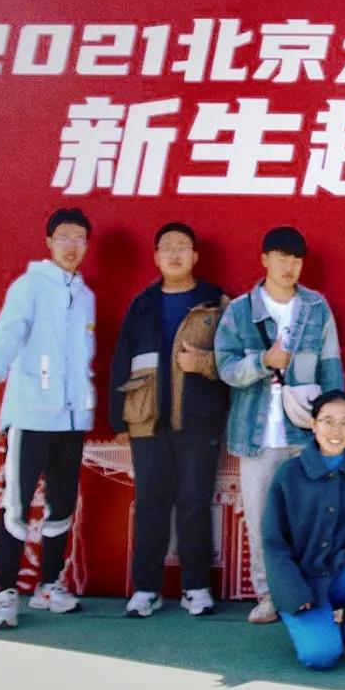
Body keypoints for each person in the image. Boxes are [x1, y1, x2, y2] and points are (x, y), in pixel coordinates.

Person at [0, 207, 96, 629]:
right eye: (64, 237)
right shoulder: (29, 286)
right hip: (30, 414)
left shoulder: (85, 295)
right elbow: (9, 332)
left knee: (62, 504)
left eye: (79, 239)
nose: (71, 246)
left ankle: (49, 586)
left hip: (71, 419)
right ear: (49, 242)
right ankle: (5, 594)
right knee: (17, 504)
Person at [215, 227, 345, 624]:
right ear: (264, 259)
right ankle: (269, 596)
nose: (289, 266)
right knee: (261, 520)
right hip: (256, 436)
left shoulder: (316, 307)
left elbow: (331, 368)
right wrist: (262, 362)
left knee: (311, 519)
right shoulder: (240, 311)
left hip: (305, 432)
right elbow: (225, 368)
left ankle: (307, 595)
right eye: (281, 257)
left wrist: (334, 426)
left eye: (295, 259)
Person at [109, 222, 228, 618]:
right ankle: (146, 589)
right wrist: (118, 419)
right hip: (146, 419)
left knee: (195, 502)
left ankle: (196, 587)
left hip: (199, 420)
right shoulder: (142, 305)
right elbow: (122, 360)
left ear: (195, 256)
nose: (175, 253)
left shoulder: (216, 303)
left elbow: (234, 360)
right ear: (156, 256)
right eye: (167, 247)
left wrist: (203, 363)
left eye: (183, 246)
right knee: (150, 504)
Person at [261, 391, 345, 670]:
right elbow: (273, 544)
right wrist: (293, 593)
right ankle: (315, 624)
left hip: (342, 575)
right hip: (303, 585)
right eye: (327, 421)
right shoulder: (288, 474)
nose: (336, 431)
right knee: (320, 656)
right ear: (313, 425)